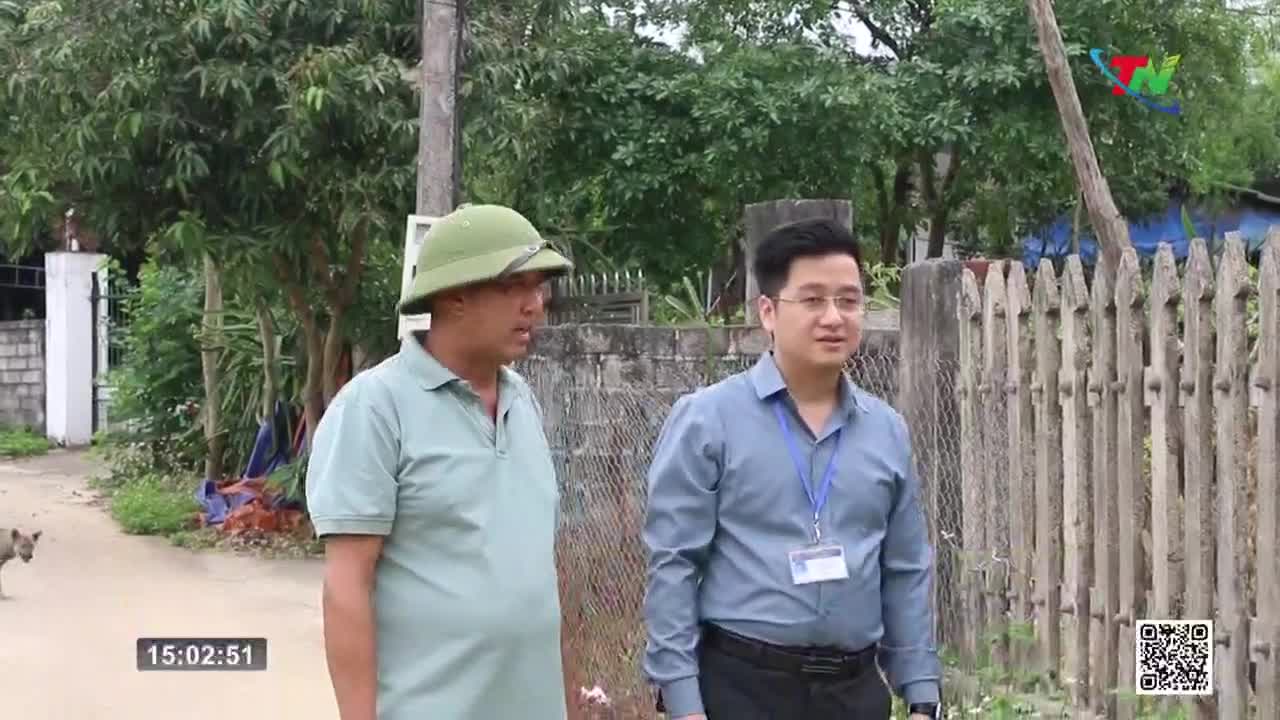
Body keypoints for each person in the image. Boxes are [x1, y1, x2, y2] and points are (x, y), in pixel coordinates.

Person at [641, 217, 942, 720]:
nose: (834, 317)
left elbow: (905, 568)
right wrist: (683, 703)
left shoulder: (885, 430)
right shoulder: (708, 420)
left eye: (849, 300)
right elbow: (673, 564)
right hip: (741, 689)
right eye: (813, 300)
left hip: (853, 694)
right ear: (768, 312)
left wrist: (922, 695)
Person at [305, 204, 574, 720]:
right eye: (514, 286)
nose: (535, 306)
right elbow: (346, 586)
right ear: (454, 297)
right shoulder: (376, 407)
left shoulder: (523, 402)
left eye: (539, 288)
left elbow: (538, 583)